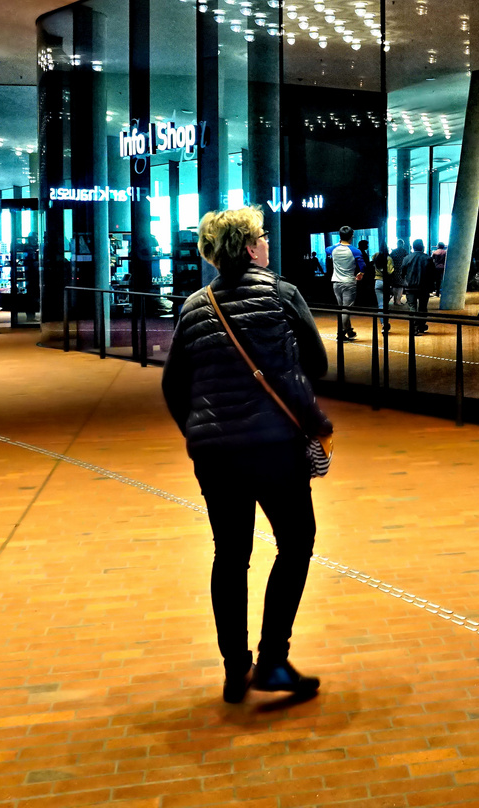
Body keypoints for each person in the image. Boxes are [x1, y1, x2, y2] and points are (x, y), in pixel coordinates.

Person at [161, 207, 329, 703]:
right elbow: (317, 362)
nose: (268, 241)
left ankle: (237, 667)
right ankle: (273, 658)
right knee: (296, 542)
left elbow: (174, 385)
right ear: (250, 248)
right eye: (262, 235)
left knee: (229, 555)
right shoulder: (282, 294)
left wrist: (200, 434)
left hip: (217, 458)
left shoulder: (195, 305)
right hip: (276, 447)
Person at [329, 226, 365, 341]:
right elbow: (363, 266)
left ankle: (349, 331)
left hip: (336, 282)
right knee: (346, 310)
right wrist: (361, 273)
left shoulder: (332, 249)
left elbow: (328, 249)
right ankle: (341, 332)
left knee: (342, 309)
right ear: (351, 236)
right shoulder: (355, 251)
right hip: (349, 282)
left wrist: (338, 243)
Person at [404, 239, 433, 333]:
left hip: (410, 286)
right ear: (423, 247)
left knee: (412, 307)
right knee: (423, 307)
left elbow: (402, 271)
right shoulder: (427, 258)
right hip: (424, 287)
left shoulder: (407, 258)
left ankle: (414, 327)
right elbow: (432, 273)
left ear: (413, 247)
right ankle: (421, 325)